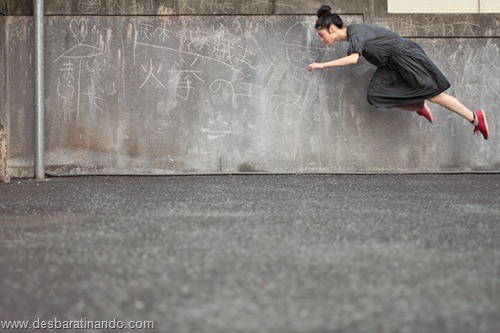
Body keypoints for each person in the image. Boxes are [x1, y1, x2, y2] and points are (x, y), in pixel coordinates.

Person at [307, 5, 490, 140]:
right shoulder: (353, 36)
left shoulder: (356, 32)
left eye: (322, 34)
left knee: (435, 95)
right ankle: (419, 105)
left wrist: (322, 65)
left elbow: (353, 59)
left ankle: (475, 118)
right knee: (375, 95)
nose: (322, 39)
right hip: (390, 65)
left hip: (405, 55)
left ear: (332, 28)